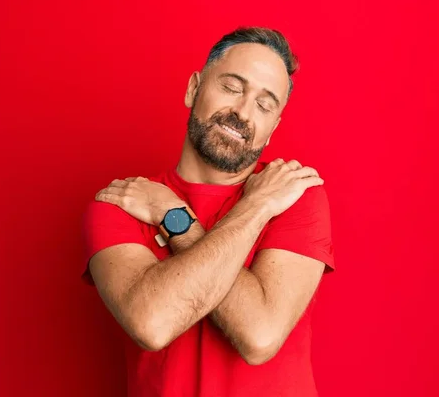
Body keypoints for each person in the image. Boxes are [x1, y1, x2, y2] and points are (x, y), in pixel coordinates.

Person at [82, 26, 335, 397]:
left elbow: (259, 335)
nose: (243, 112)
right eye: (232, 87)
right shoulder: (122, 203)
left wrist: (176, 216)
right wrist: (256, 210)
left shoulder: (293, 194)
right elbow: (152, 323)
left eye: (265, 105)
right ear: (193, 89)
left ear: (273, 128)